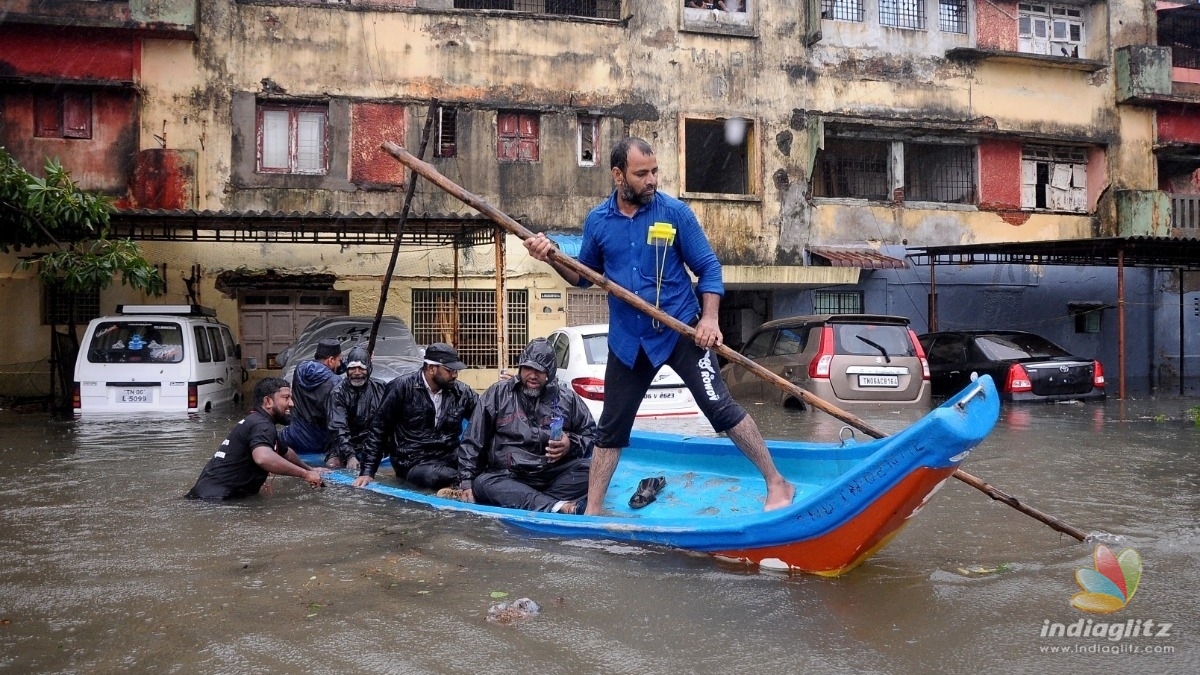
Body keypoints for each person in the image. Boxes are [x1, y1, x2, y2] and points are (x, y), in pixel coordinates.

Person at [524, 137, 794, 515]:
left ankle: (777, 483)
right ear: (618, 175)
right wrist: (551, 255)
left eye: (654, 172)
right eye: (641, 174)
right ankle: (594, 511)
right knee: (611, 429)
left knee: (721, 410)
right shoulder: (598, 221)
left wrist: (710, 319)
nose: (651, 180)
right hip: (628, 342)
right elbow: (582, 276)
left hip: (681, 331)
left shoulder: (674, 213)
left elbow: (709, 269)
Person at [448, 338, 596, 514]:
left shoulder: (568, 399)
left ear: (550, 372)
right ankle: (558, 506)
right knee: (483, 483)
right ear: (520, 368)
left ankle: (532, 501)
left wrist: (570, 444)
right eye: (528, 368)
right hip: (509, 476)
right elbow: (473, 439)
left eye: (539, 370)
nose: (532, 375)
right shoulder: (498, 393)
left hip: (551, 475)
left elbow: (592, 437)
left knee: (594, 470)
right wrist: (466, 481)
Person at [355, 343, 478, 490]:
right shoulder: (401, 387)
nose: (455, 375)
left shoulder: (461, 392)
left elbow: (485, 417)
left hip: (449, 457)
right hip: (412, 461)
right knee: (438, 477)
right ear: (431, 369)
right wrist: (368, 471)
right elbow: (379, 429)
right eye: (449, 370)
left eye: (456, 371)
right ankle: (462, 485)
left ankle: (462, 484)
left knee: (482, 467)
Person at [186, 377, 326, 499]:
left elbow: (286, 452)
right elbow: (263, 458)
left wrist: (311, 469)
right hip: (216, 501)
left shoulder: (257, 421)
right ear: (268, 401)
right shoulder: (262, 425)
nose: (291, 403)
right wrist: (305, 474)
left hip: (209, 496)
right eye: (286, 398)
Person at [279, 338, 343, 465]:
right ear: (330, 360)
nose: (340, 364)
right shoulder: (337, 383)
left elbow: (329, 368)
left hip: (293, 437)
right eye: (339, 360)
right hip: (319, 442)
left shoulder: (300, 369)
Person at [325, 346, 385, 473]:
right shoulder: (338, 393)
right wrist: (350, 456)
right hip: (343, 444)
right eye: (352, 368)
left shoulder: (381, 388)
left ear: (369, 369)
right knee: (333, 464)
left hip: (372, 442)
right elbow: (338, 428)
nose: (357, 372)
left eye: (361, 368)